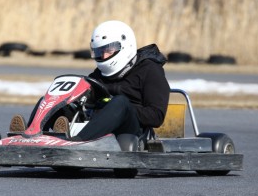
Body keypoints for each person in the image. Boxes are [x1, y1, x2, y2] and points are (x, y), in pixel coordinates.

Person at [9, 20, 170, 143]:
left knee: (120, 102)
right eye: (99, 52)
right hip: (95, 125)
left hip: (131, 132)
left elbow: (156, 116)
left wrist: (117, 107)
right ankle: (29, 136)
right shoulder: (99, 73)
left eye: (108, 51)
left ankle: (77, 142)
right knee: (55, 101)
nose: (103, 57)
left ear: (124, 46)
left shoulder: (150, 70)